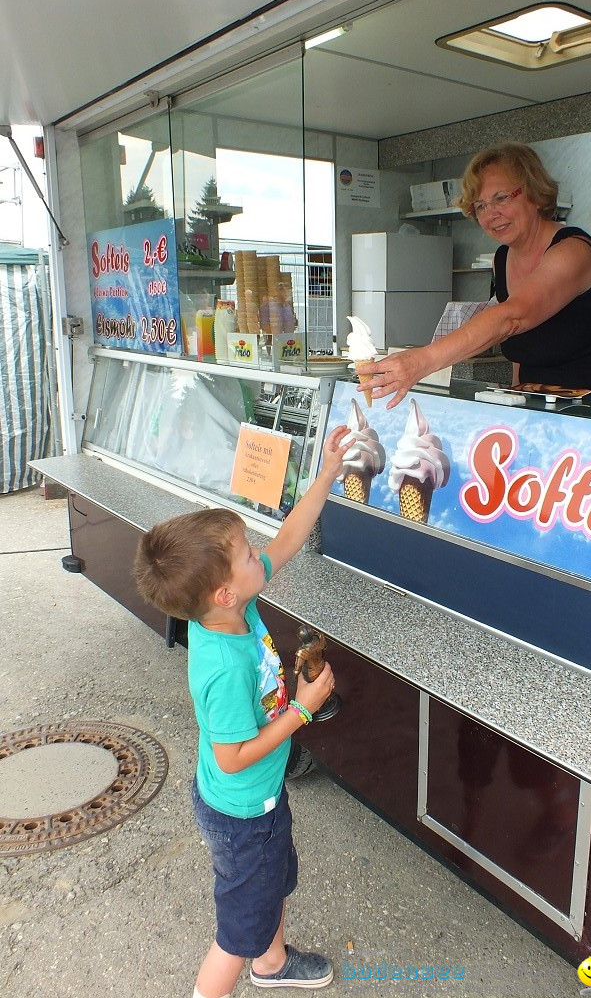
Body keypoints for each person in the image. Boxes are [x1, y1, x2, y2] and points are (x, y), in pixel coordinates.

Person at [134, 423, 351, 998]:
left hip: (259, 799)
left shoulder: (235, 606)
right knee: (237, 930)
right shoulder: (225, 665)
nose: (262, 555)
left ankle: (273, 965)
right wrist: (302, 712)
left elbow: (287, 539)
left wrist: (327, 470)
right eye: (248, 555)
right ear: (223, 593)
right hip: (240, 811)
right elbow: (232, 757)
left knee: (268, 890)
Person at [361, 141, 591, 409]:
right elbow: (521, 347)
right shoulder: (503, 259)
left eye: (501, 198)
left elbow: (513, 317)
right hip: (562, 408)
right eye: (480, 205)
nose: (490, 213)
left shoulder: (573, 251)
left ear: (535, 194)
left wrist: (421, 362)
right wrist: (515, 399)